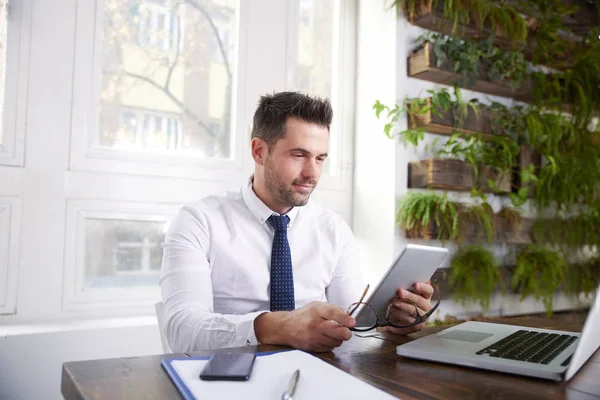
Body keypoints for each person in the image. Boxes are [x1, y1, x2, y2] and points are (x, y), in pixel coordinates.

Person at [159, 91, 434, 353]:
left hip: (315, 375)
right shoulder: (199, 222)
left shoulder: (333, 230)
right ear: (258, 151)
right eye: (299, 155)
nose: (311, 173)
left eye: (320, 158)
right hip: (226, 379)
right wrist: (279, 328)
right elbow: (183, 330)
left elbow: (354, 324)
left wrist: (393, 321)